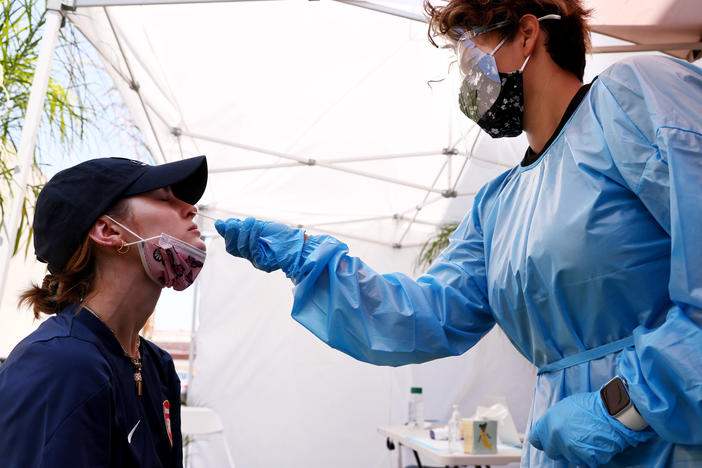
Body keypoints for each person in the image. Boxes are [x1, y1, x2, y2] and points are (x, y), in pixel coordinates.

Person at [215, 0, 702, 466]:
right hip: (561, 447)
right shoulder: (498, 204)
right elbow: (427, 314)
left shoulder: (632, 96)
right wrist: (310, 261)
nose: (467, 76)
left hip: (668, 438)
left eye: (470, 49)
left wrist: (624, 406)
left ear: (528, 34)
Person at [0, 156, 208, 467]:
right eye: (165, 197)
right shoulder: (60, 366)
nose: (191, 208)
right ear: (109, 231)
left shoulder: (157, 366)